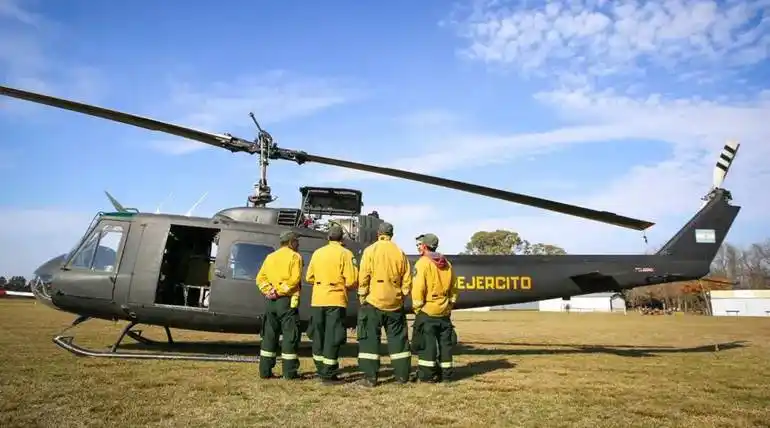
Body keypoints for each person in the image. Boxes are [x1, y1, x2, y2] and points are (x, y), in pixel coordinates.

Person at [356, 222, 413, 387]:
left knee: (369, 340)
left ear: (378, 233)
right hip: (394, 304)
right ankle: (402, 376)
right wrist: (401, 295)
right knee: (399, 340)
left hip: (373, 302)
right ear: (391, 234)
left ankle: (370, 378)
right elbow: (407, 279)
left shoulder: (370, 251)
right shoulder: (399, 252)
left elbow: (364, 276)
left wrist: (362, 296)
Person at [305, 224, 358, 384]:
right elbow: (352, 280)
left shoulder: (317, 253)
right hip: (335, 300)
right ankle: (328, 374)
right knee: (332, 336)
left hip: (318, 299)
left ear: (328, 237)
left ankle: (320, 368)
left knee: (318, 335)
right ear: (342, 238)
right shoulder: (346, 254)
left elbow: (309, 277)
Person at [255, 230, 303, 380]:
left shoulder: (270, 257)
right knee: (290, 336)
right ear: (290, 242)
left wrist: (269, 291)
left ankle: (265, 371)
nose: (298, 244)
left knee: (269, 335)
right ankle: (289, 373)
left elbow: (260, 278)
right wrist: (280, 291)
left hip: (271, 302)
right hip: (286, 302)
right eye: (296, 241)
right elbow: (294, 279)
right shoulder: (295, 257)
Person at [410, 233, 458, 383]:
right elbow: (454, 288)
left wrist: (418, 308)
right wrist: (449, 304)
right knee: (445, 345)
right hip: (444, 312)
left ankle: (427, 376)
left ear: (424, 246)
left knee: (427, 346)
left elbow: (418, 289)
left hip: (428, 311)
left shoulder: (422, 263)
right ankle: (447, 375)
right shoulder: (447, 264)